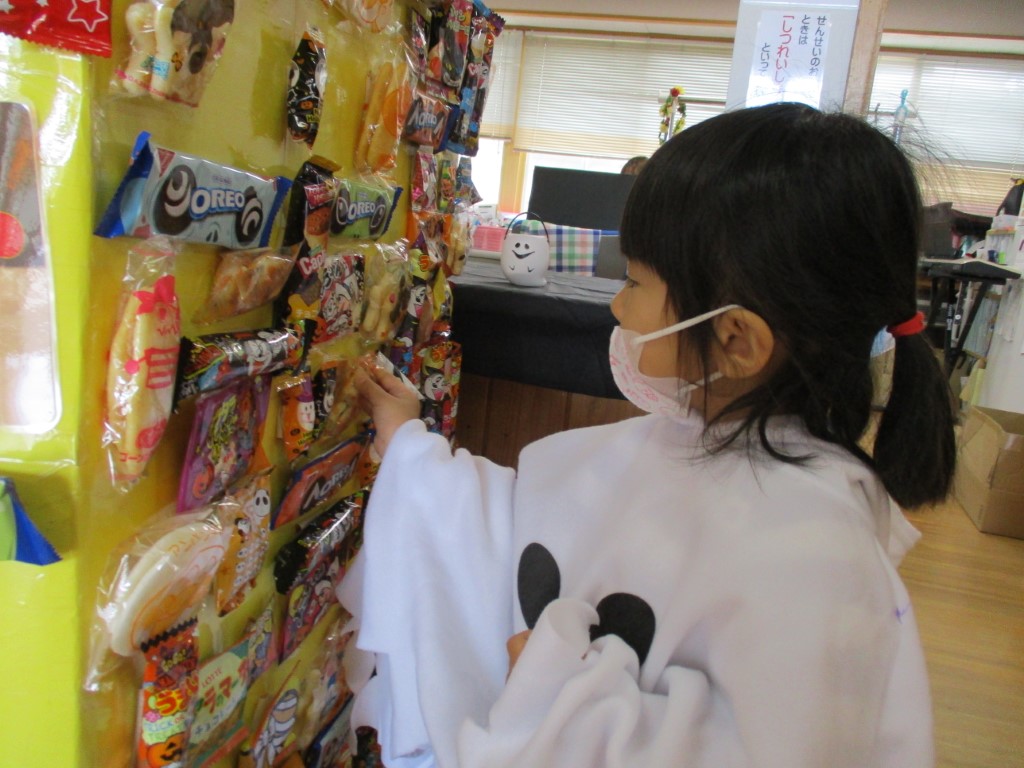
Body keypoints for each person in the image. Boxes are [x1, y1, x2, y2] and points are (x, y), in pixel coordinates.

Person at [338, 102, 956, 768]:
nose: (617, 303)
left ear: (737, 339)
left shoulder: (817, 561)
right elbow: (523, 526)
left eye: (634, 281)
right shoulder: (696, 443)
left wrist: (559, 691)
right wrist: (411, 450)